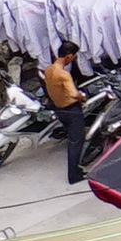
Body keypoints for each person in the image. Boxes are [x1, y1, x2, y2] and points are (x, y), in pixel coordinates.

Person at [42, 40, 90, 183]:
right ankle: (74, 175)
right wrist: (82, 97)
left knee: (71, 137)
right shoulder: (63, 74)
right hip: (71, 110)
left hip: (59, 109)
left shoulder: (49, 70)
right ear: (68, 56)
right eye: (73, 57)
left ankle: (77, 170)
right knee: (76, 141)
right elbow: (73, 93)